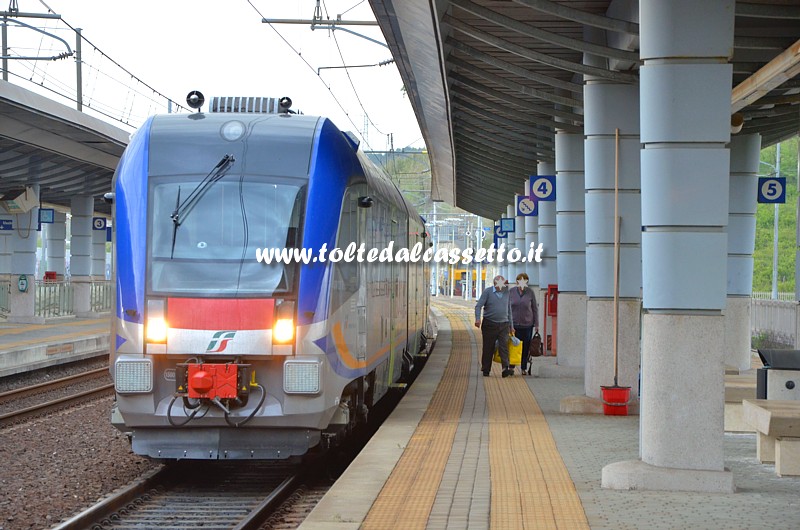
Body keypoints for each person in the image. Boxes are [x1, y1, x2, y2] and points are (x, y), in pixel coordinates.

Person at [474, 275, 515, 378]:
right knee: (489, 347)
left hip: (504, 324)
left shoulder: (507, 293)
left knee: (504, 347)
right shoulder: (488, 292)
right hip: (489, 324)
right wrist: (478, 319)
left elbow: (509, 310)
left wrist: (511, 326)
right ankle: (486, 369)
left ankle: (505, 368)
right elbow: (478, 306)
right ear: (495, 284)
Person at [510, 272, 539, 375]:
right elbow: (507, 308)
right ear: (517, 282)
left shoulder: (530, 292)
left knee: (525, 347)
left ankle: (523, 368)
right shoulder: (511, 292)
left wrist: (536, 324)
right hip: (514, 324)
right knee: (513, 346)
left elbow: (534, 308)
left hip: (527, 324)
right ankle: (511, 367)